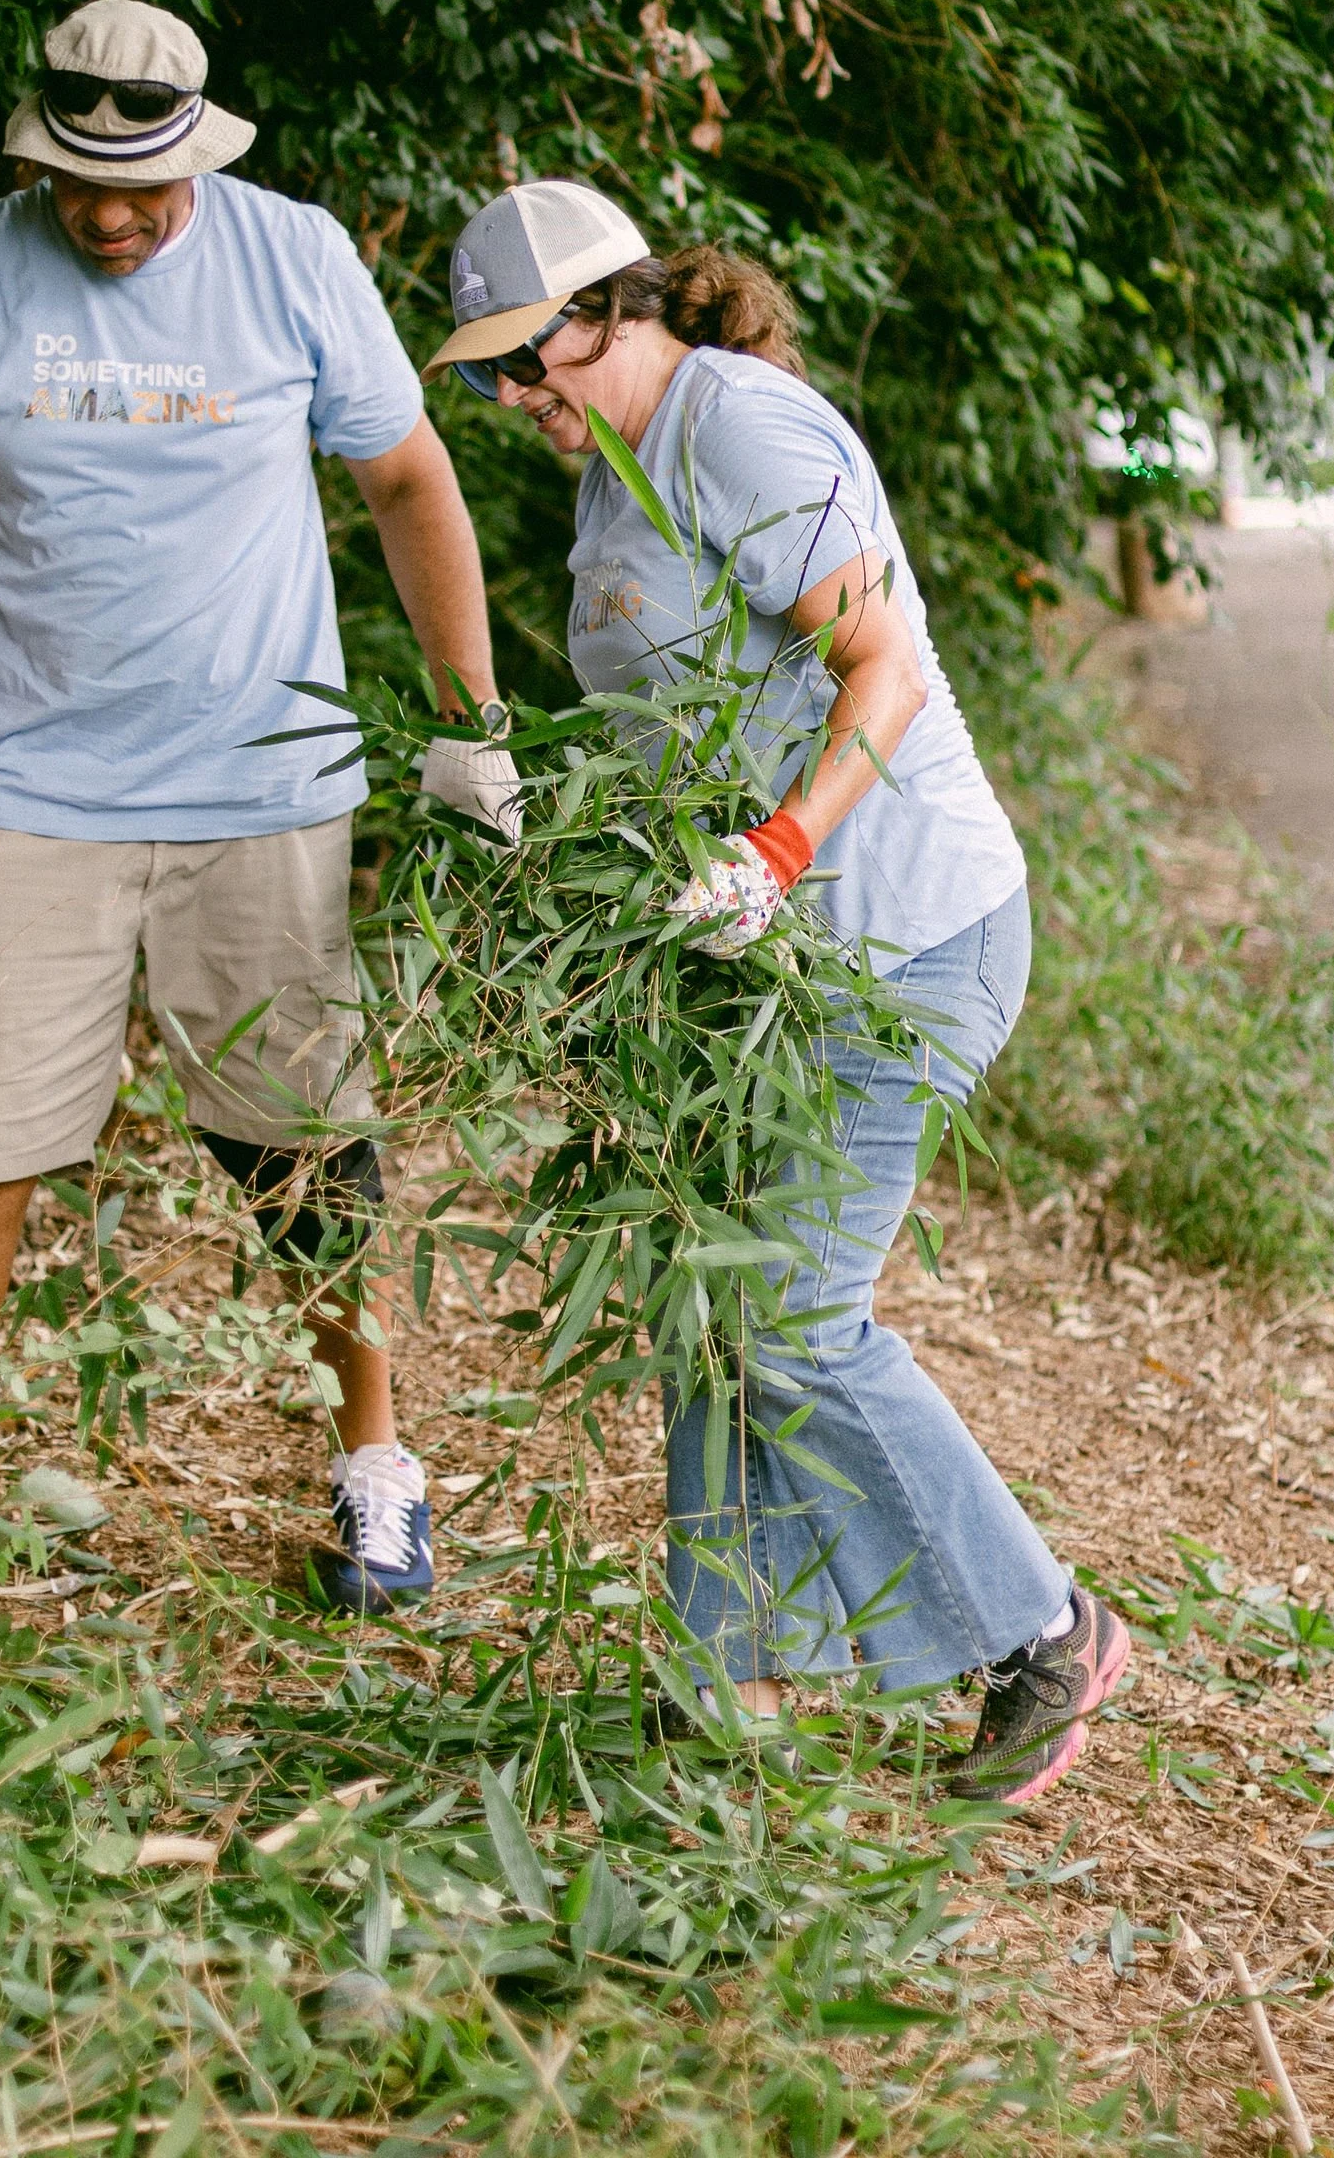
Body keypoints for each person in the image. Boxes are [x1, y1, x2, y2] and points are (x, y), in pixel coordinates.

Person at [0, 0, 518, 1617]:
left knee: (302, 1150)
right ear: (36, 158)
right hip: (28, 791)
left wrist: (470, 721)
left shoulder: (293, 258)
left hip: (264, 788)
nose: (110, 218)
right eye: (78, 186)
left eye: (142, 190)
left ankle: (377, 1466)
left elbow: (408, 478)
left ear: (202, 152)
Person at [428, 178, 1129, 1803]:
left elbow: (882, 670)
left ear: (612, 310)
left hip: (898, 936)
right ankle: (725, 1677)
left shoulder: (738, 429)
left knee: (793, 1317)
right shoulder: (607, 474)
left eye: (527, 360)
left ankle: (1043, 1632)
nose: (512, 397)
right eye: (489, 376)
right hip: (762, 975)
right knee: (710, 1294)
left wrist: (779, 847)